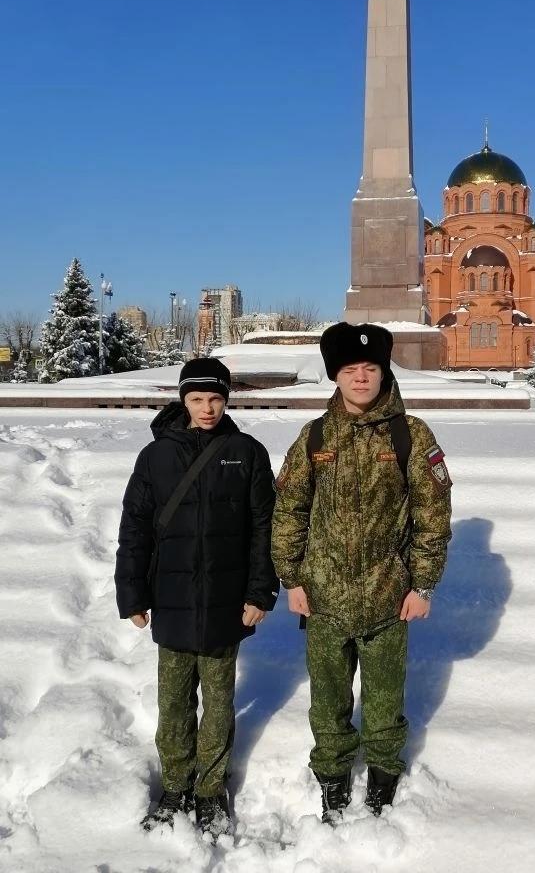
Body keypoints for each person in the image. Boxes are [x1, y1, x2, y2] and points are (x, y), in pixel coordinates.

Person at [271, 323, 452, 823]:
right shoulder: (314, 437)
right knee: (327, 700)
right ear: (335, 375)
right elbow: (289, 510)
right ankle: (331, 777)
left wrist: (422, 584)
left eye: (369, 369)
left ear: (382, 373)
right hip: (324, 599)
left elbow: (432, 515)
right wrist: (292, 579)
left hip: (387, 597)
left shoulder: (410, 434)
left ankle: (382, 776)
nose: (360, 378)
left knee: (384, 699)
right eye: (350, 370)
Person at [115, 357, 278, 842]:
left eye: (216, 399)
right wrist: (132, 594)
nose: (207, 409)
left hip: (228, 601)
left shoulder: (246, 452)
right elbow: (135, 529)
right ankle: (175, 786)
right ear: (182, 400)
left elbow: (263, 529)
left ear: (227, 400)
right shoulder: (156, 457)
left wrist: (259, 592)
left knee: (220, 701)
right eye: (197, 399)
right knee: (174, 703)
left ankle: (210, 790)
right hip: (171, 598)